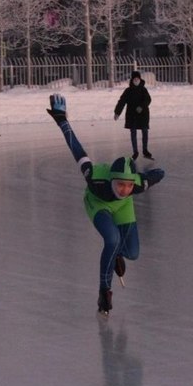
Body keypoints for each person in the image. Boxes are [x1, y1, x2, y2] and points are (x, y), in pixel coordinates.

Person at [47, 94, 165, 315]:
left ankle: (115, 254)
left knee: (133, 253)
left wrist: (157, 174)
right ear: (111, 179)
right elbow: (77, 150)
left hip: (123, 209)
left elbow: (154, 176)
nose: (124, 190)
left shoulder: (136, 185)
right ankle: (104, 291)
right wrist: (62, 120)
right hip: (98, 203)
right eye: (120, 184)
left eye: (129, 186)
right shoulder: (96, 179)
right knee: (112, 239)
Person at [114, 70, 153, 160]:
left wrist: (141, 107)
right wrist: (117, 112)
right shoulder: (128, 91)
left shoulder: (143, 90)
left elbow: (148, 100)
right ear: (132, 80)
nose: (136, 80)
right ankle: (135, 152)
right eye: (135, 79)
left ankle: (145, 150)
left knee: (145, 131)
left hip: (143, 115)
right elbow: (122, 101)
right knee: (133, 133)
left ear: (140, 79)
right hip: (132, 115)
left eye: (138, 79)